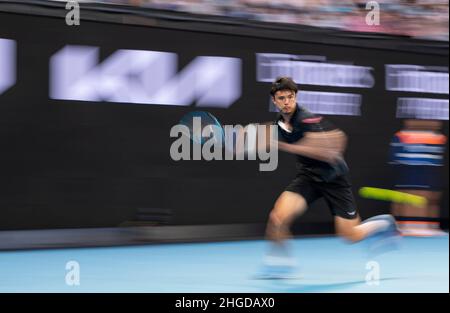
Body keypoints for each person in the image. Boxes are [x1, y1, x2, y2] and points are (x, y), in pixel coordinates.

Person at [259, 77, 400, 278]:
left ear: (296, 97)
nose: (287, 102)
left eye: (291, 97)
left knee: (350, 235)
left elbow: (334, 146)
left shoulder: (307, 118)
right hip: (308, 178)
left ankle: (384, 224)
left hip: (334, 179)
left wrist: (282, 145)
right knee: (277, 218)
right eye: (282, 98)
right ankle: (280, 264)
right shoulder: (281, 122)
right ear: (275, 101)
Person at [389, 119, 447, 237]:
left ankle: (432, 227)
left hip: (431, 173)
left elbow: (437, 156)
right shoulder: (400, 136)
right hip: (408, 172)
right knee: (408, 199)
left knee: (431, 200)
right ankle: (403, 226)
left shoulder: (440, 137)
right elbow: (394, 157)